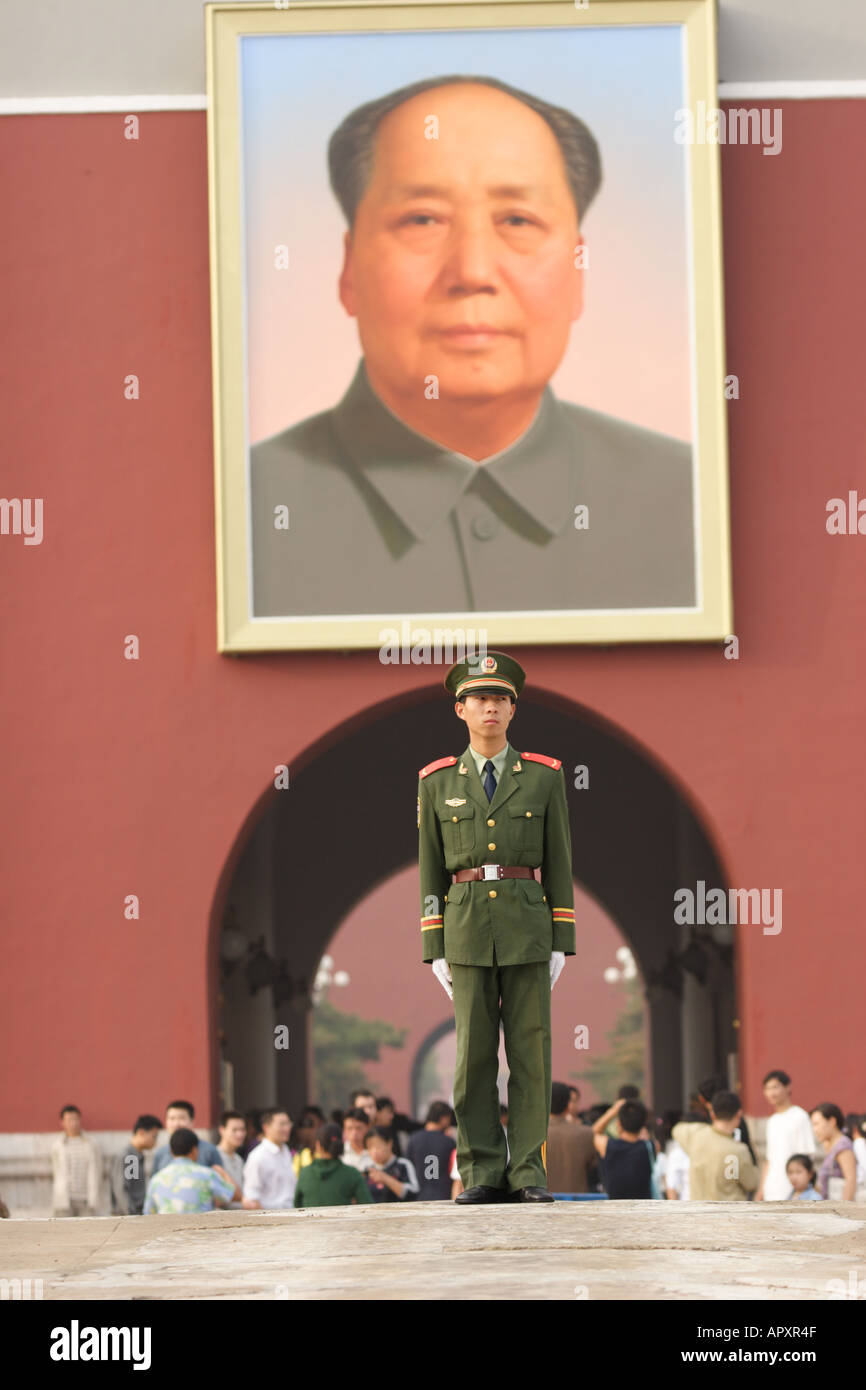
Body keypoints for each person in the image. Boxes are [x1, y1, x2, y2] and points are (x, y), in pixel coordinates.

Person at [250, 75, 694, 620]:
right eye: (422, 220)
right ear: (348, 272)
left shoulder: (694, 507)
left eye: (517, 220)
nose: (473, 271)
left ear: (578, 272)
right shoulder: (243, 514)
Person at [419, 651, 575, 1203]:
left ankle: (528, 1170)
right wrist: (433, 944)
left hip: (528, 926)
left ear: (513, 710)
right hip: (464, 927)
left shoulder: (544, 776)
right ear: (460, 709)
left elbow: (558, 860)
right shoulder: (436, 782)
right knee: (472, 1058)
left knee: (532, 1055)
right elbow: (430, 866)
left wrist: (563, 939)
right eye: (480, 699)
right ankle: (483, 1169)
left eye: (501, 699)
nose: (490, 707)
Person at [672, 1092, 759, 1201]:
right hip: (730, 1213)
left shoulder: (696, 1135)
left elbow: (677, 1129)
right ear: (739, 1114)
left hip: (698, 1211)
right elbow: (751, 1183)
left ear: (712, 1114)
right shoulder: (739, 1150)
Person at [755, 1069, 816, 1201]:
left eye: (775, 1087)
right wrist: (760, 1191)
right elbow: (769, 1160)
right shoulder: (772, 1121)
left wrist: (801, 1190)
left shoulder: (800, 1116)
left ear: (788, 1087)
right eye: (767, 1088)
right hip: (772, 1189)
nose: (771, 1093)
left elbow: (806, 1156)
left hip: (792, 1190)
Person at [143, 1128, 236, 1214]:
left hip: (167, 1230)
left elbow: (148, 1212)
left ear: (171, 1151)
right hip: (198, 1230)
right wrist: (223, 1173)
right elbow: (231, 1195)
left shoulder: (157, 1179)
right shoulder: (207, 1175)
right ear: (195, 1150)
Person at [294, 1124, 374, 1208]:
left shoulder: (304, 1173)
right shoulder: (352, 1174)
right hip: (343, 1221)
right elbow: (368, 1206)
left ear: (318, 1145)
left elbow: (297, 1205)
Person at [592, 1098, 655, 1199]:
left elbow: (592, 1133)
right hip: (643, 1209)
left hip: (616, 1209)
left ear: (618, 1124)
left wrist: (613, 1111)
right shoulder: (651, 1147)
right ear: (643, 1124)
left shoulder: (607, 1146)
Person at [51, 1105, 104, 1217]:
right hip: (65, 1200)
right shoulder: (57, 1146)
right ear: (62, 1122)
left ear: (80, 1120)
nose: (73, 1123)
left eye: (75, 1119)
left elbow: (97, 1170)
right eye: (69, 1120)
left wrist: (94, 1197)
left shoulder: (91, 1144)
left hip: (86, 1200)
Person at [545, 1081, 596, 1195]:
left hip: (543, 1203)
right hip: (579, 1204)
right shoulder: (586, 1133)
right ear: (568, 1105)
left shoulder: (536, 1136)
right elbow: (593, 1167)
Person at [241, 1108, 297, 1209]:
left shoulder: (286, 1151)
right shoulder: (258, 1157)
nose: (287, 1128)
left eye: (288, 1123)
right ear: (266, 1127)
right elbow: (251, 1200)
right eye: (282, 1124)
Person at [109, 1114, 161, 1216]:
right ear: (141, 1132)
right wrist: (131, 1216)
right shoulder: (130, 1157)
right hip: (128, 1218)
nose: (155, 1141)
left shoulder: (136, 1156)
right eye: (153, 1136)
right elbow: (122, 1191)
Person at [151, 1100, 222, 1175]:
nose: (176, 1124)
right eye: (172, 1118)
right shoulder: (160, 1153)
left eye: (181, 1118)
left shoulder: (210, 1151)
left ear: (192, 1122)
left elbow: (220, 1180)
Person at [405, 1101, 457, 1201]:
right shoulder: (448, 1142)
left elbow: (408, 1167)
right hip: (443, 1196)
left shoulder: (414, 1139)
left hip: (418, 1197)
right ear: (444, 1118)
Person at [811, 1103, 857, 1201]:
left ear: (832, 1121)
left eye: (816, 1124)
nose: (814, 1129)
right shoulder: (831, 1145)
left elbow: (851, 1180)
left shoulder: (843, 1145)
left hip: (839, 1210)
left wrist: (843, 1211)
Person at [363, 1127, 420, 1202]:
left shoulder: (403, 1164)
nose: (374, 1151)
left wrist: (385, 1179)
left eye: (378, 1146)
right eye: (370, 1148)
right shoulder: (368, 1170)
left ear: (389, 1144)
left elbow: (413, 1193)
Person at [217, 1110, 248, 1208]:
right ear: (222, 1130)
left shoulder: (239, 1160)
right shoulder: (214, 1157)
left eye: (242, 1130)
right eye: (234, 1130)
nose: (240, 1134)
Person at [341, 1107, 374, 1173]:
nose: (354, 1133)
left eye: (358, 1128)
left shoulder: (376, 1151)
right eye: (349, 1128)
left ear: (368, 1127)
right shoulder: (340, 1152)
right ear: (344, 1129)